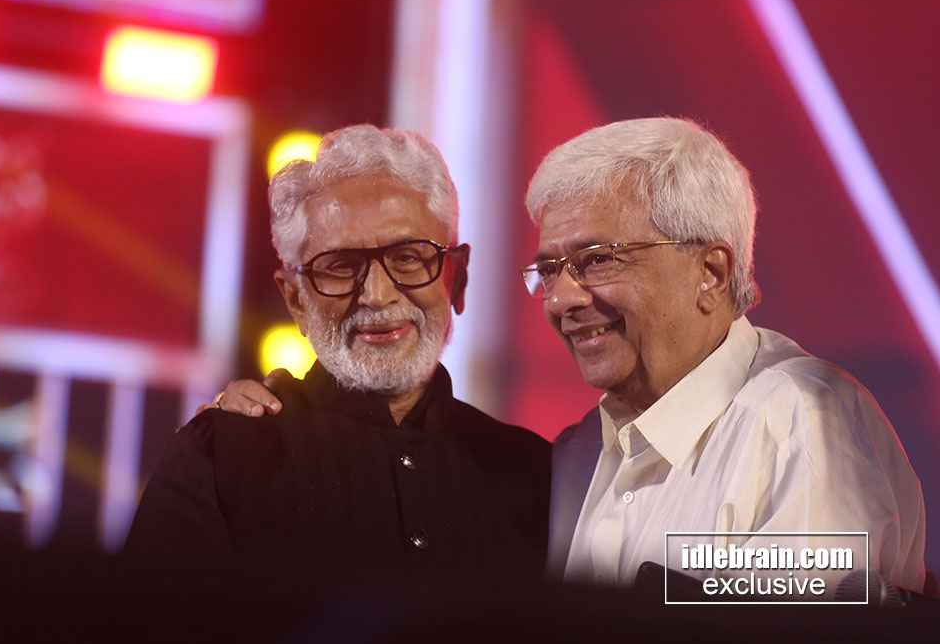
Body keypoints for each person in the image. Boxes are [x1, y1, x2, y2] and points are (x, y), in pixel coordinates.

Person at [216, 118, 926, 593]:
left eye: (597, 260)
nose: (560, 299)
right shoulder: (573, 458)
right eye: (550, 269)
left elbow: (820, 610)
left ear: (711, 272)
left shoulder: (799, 419)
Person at [125, 125, 550, 577]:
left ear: (457, 278)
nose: (377, 295)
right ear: (295, 301)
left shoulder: (534, 473)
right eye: (341, 266)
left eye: (408, 257)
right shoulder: (220, 457)